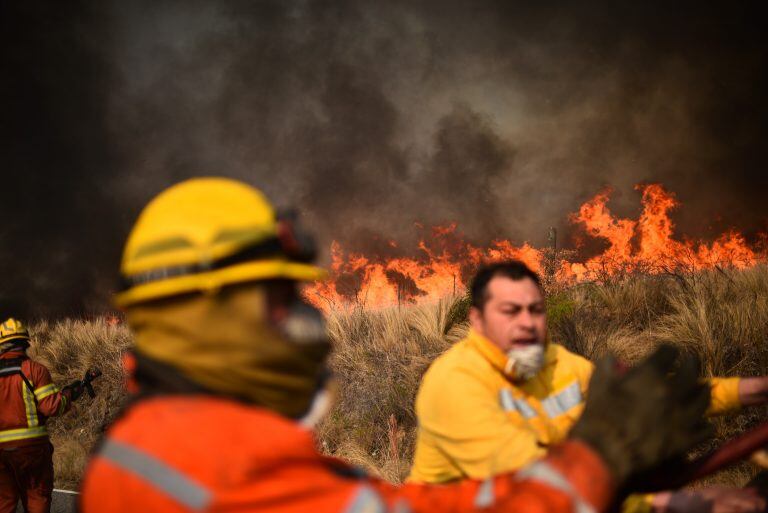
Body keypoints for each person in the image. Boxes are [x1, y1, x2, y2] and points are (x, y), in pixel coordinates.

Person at [80, 178, 712, 513]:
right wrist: (597, 458)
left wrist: (598, 480)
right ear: (204, 310)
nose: (298, 320)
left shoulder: (164, 439)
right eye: (275, 298)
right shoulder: (212, 469)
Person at [409, 261, 768, 512]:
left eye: (536, 310)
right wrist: (667, 505)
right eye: (510, 311)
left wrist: (750, 390)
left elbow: (639, 400)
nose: (527, 323)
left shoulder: (556, 363)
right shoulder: (453, 384)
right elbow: (532, 483)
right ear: (477, 319)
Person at [0, 317, 82, 513]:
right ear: (25, 343)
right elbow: (51, 407)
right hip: (33, 451)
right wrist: (68, 395)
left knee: (4, 501)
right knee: (37, 497)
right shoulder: (35, 370)